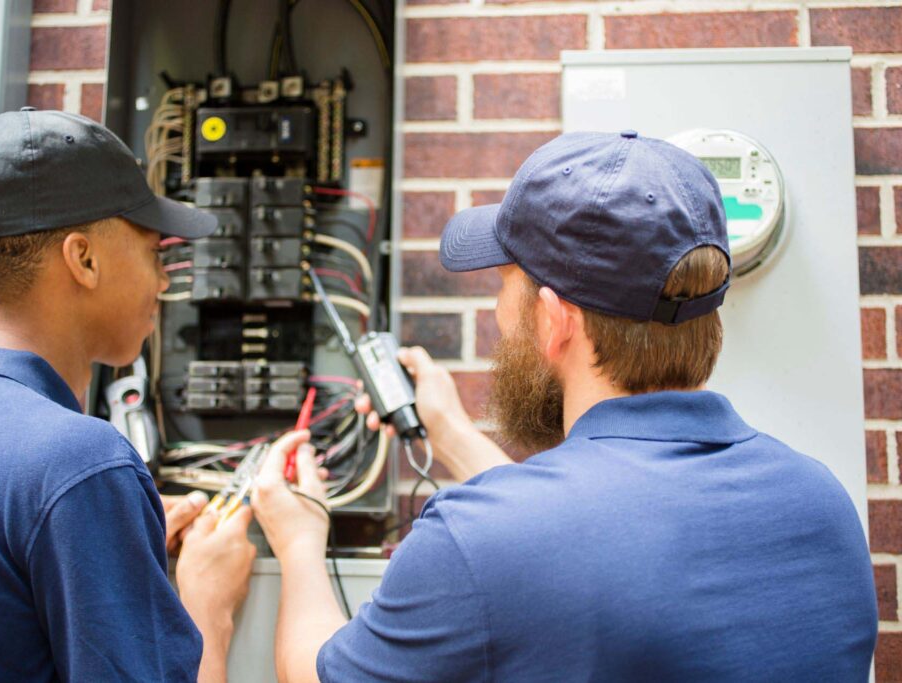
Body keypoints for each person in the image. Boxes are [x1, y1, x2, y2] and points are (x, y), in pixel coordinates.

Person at [249, 131, 879, 681]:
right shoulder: (822, 505)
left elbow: (313, 673)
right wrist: (450, 434)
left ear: (554, 320)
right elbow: (598, 535)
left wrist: (300, 539)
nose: (499, 316)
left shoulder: (481, 538)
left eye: (504, 287)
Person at [0, 108, 256, 681]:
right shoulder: (81, 464)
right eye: (155, 251)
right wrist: (207, 606)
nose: (164, 280)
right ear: (84, 259)